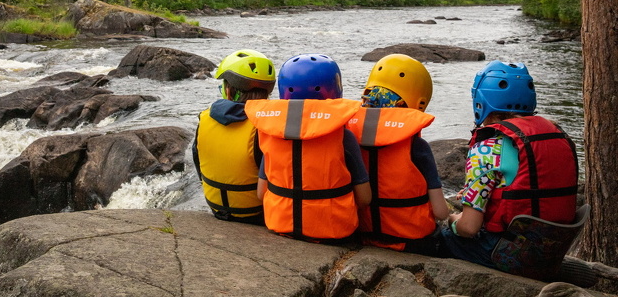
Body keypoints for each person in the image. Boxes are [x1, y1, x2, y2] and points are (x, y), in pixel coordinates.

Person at [443, 61, 579, 268]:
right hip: (550, 251)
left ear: (481, 102)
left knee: (438, 236)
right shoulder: (558, 134)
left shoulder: (487, 148)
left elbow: (469, 228)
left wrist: (453, 218)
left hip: (505, 253)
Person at [245, 53, 371, 241]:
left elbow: (261, 193)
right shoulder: (344, 137)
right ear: (335, 91)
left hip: (280, 225)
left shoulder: (271, 132)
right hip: (333, 231)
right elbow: (364, 199)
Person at [346, 54, 450, 255]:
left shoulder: (349, 137)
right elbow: (441, 212)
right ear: (419, 104)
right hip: (412, 242)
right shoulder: (418, 147)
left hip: (363, 234)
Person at [192, 49, 276, 224]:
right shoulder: (267, 126)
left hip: (216, 207)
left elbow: (199, 164)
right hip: (256, 214)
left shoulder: (205, 118)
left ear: (229, 91)